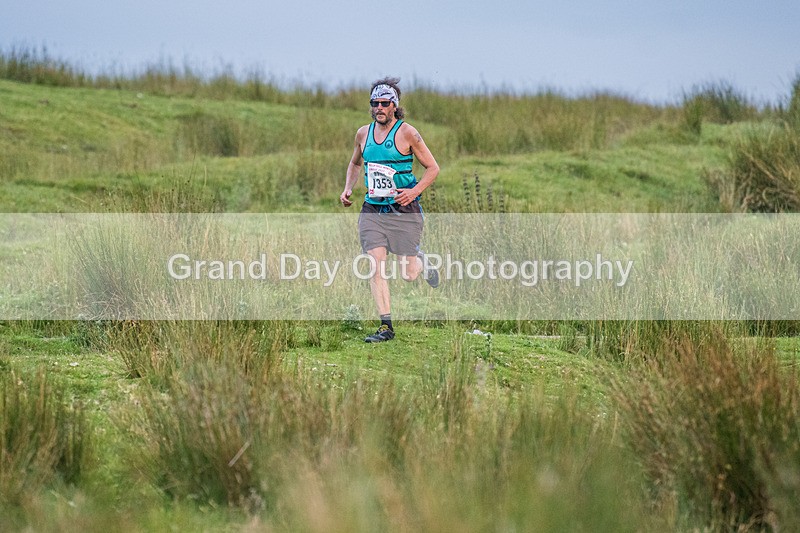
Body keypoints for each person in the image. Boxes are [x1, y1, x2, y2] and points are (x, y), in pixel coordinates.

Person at [340, 77, 440, 343]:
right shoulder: (363, 133)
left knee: (409, 274)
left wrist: (414, 191)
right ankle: (386, 326)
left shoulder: (408, 133)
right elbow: (355, 164)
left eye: (385, 103)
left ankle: (422, 260)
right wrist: (348, 188)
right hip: (373, 209)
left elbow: (433, 168)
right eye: (375, 103)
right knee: (376, 265)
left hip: (403, 210)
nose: (380, 108)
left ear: (394, 105)